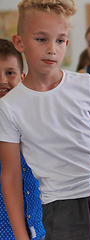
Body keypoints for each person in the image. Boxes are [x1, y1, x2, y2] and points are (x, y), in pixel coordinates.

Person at [0, 0, 90, 239]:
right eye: (42, 39)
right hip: (60, 208)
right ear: (19, 42)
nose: (52, 49)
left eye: (60, 40)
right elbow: (11, 176)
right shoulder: (9, 106)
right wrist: (22, 236)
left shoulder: (85, 84)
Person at [0, 39, 45, 240]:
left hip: (42, 228)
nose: (2, 80)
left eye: (10, 73)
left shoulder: (38, 122)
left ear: (22, 77)